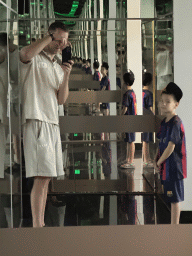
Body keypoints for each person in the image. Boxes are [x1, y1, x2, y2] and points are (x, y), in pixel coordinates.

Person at [20, 21, 73, 228]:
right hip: (36, 119)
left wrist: (66, 74)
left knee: (47, 177)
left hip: (52, 121)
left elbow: (61, 99)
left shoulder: (57, 64)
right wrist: (50, 38)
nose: (61, 43)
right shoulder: (34, 58)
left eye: (65, 40)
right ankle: (37, 225)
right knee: (41, 177)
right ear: (49, 36)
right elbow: (24, 54)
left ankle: (39, 224)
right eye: (58, 39)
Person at [154, 82, 187, 224]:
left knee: (174, 200)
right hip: (166, 168)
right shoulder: (164, 122)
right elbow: (161, 143)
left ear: (176, 104)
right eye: (162, 101)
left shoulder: (175, 123)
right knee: (170, 198)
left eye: (167, 102)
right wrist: (156, 159)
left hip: (174, 169)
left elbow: (170, 147)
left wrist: (159, 161)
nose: (163, 104)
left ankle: (175, 228)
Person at [120, 70, 137, 169]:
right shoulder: (133, 93)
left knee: (130, 142)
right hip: (133, 119)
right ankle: (128, 159)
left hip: (128, 120)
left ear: (125, 82)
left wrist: (120, 116)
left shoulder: (127, 94)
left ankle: (131, 161)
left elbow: (125, 108)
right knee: (129, 141)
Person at [142, 72, 154, 168]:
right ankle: (146, 159)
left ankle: (147, 158)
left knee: (144, 140)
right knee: (146, 140)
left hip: (142, 117)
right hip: (147, 118)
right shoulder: (149, 94)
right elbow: (150, 107)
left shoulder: (140, 92)